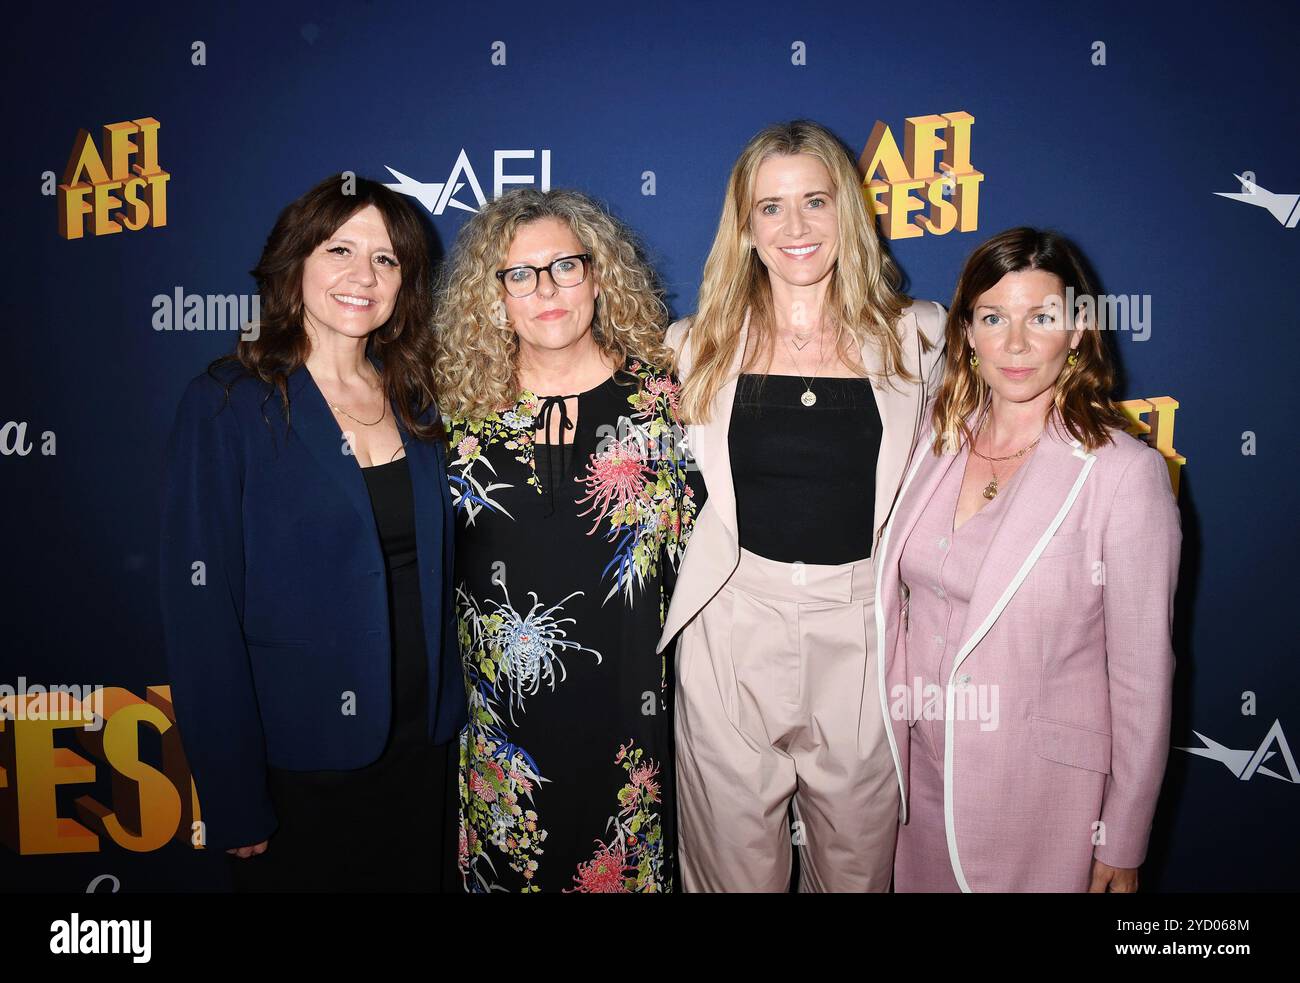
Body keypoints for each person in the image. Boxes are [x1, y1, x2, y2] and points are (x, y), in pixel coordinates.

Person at [658, 119, 945, 892]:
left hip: (864, 631)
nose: (796, 227)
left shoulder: (921, 341)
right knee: (726, 871)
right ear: (745, 226)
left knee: (857, 870)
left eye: (815, 201)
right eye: (771, 206)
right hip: (729, 627)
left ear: (847, 211)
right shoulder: (693, 347)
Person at [159, 174, 464, 892]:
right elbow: (201, 616)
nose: (365, 275)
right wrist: (233, 796)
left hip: (427, 748)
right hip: (300, 761)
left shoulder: (420, 399)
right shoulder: (228, 404)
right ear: (295, 263)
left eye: (387, 259)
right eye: (341, 250)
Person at [880, 227, 1181, 892]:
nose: (1014, 344)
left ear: (1077, 330)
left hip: (1041, 805)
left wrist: (1123, 836)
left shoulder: (1123, 473)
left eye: (1040, 317)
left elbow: (1141, 678)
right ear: (966, 331)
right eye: (993, 318)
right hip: (916, 790)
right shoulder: (935, 439)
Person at [433, 187, 699, 893]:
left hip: (634, 726)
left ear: (599, 274)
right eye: (520, 273)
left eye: (565, 266)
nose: (545, 289)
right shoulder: (453, 414)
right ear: (494, 295)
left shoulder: (670, 399)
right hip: (504, 745)